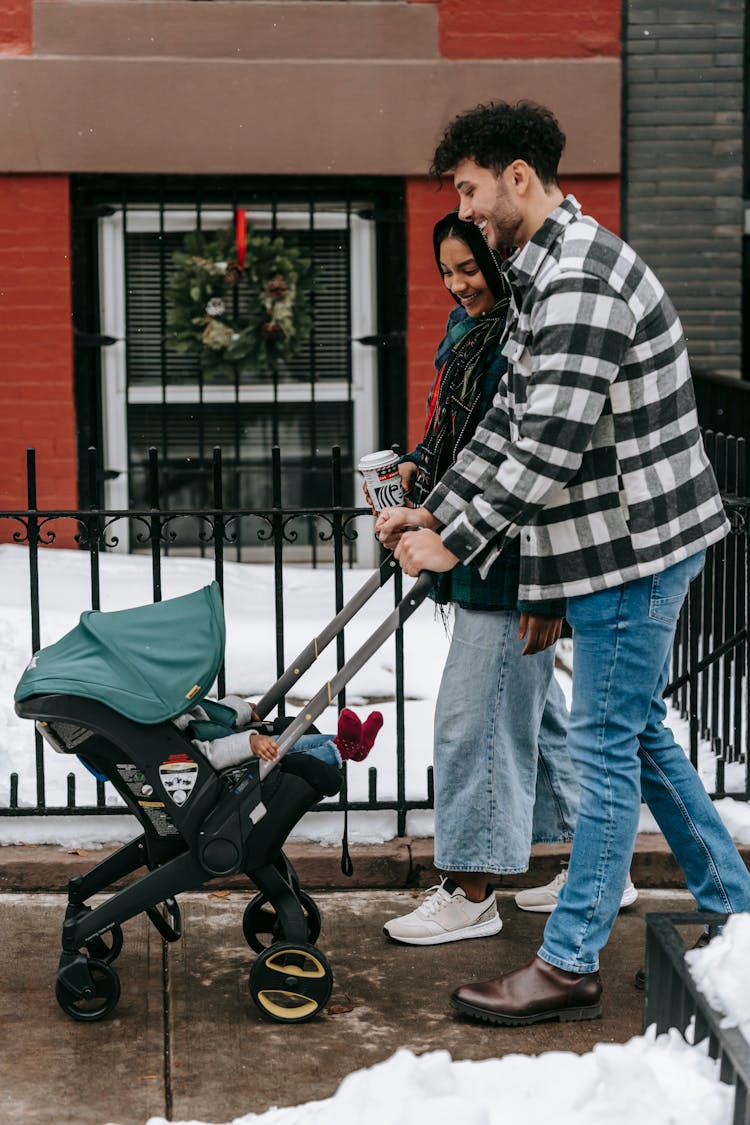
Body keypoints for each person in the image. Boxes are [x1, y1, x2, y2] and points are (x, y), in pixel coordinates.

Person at [377, 99, 750, 1024]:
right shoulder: (542, 270)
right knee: (640, 734)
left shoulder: (580, 280)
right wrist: (438, 504)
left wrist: (452, 541)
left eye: (469, 192)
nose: (462, 213)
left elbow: (545, 447)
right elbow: (506, 421)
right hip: (615, 541)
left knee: (604, 745)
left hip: (631, 548)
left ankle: (570, 958)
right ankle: (738, 906)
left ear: (517, 178)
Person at [382, 212, 588, 948]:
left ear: (501, 268)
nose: (458, 283)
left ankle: (472, 888)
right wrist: (418, 471)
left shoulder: (521, 337)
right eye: (447, 270)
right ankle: (598, 864)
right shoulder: (468, 331)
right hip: (468, 534)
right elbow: (456, 432)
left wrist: (543, 582)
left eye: (470, 268)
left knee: (475, 720)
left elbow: (528, 467)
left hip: (504, 554)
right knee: (536, 715)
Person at [177, 696, 383, 771]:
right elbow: (202, 756)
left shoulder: (166, 708)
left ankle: (354, 746)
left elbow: (205, 713)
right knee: (284, 760)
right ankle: (340, 750)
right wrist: (248, 743)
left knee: (283, 741)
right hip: (226, 767)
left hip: (233, 745)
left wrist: (240, 708)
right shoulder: (159, 731)